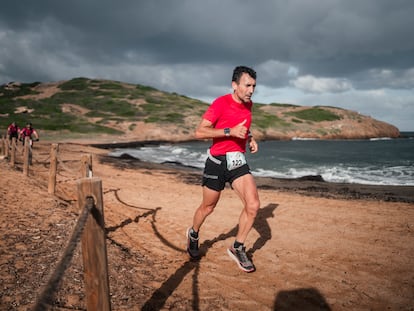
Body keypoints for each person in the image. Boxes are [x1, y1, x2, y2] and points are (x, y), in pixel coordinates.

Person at [186, 66, 260, 273]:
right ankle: (193, 233)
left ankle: (237, 247)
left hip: (237, 162)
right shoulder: (220, 103)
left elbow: (243, 126)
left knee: (253, 206)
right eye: (247, 85)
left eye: (254, 86)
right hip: (217, 162)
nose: (251, 90)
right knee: (208, 207)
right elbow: (199, 132)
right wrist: (229, 132)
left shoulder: (248, 104)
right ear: (234, 85)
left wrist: (250, 138)